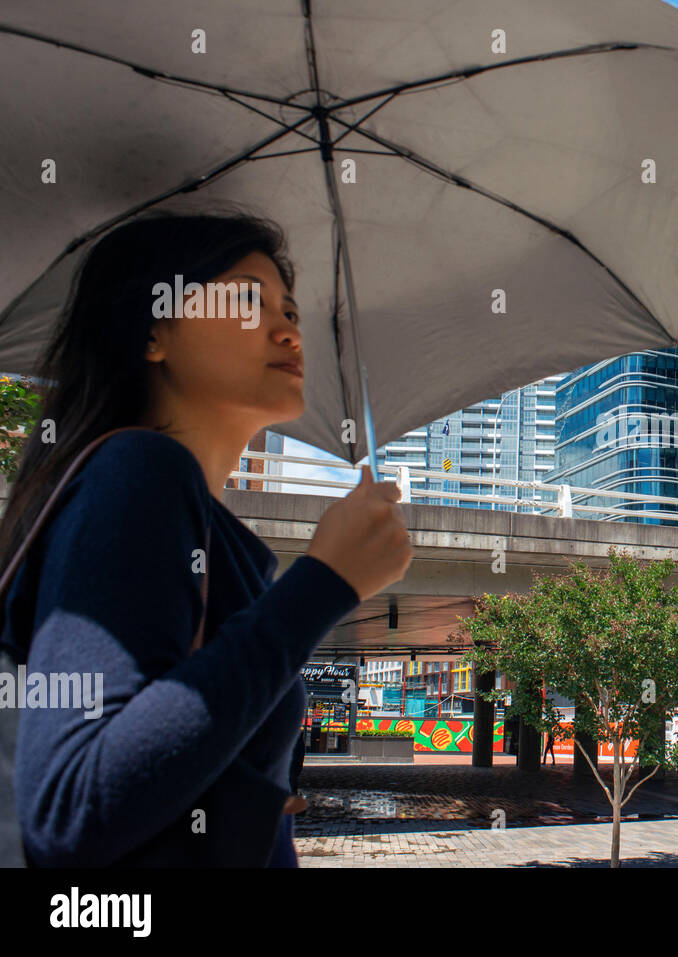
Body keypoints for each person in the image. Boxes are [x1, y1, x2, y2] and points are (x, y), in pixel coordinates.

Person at [0, 211, 414, 867]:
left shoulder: (207, 530)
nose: (288, 328)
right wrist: (326, 582)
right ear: (154, 332)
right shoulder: (138, 474)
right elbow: (69, 808)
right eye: (248, 300)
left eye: (291, 309)